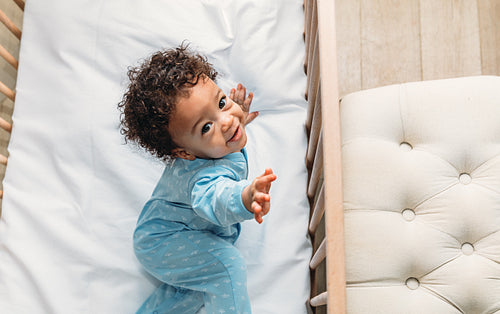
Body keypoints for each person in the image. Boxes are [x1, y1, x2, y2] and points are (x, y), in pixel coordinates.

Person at [118, 44, 277, 314]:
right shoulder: (202, 178)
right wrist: (245, 197)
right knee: (227, 268)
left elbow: (223, 123)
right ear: (183, 152)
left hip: (167, 234)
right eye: (206, 127)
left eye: (221, 102)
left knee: (192, 292)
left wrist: (237, 114)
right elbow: (215, 197)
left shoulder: (214, 140)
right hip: (164, 241)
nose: (226, 121)